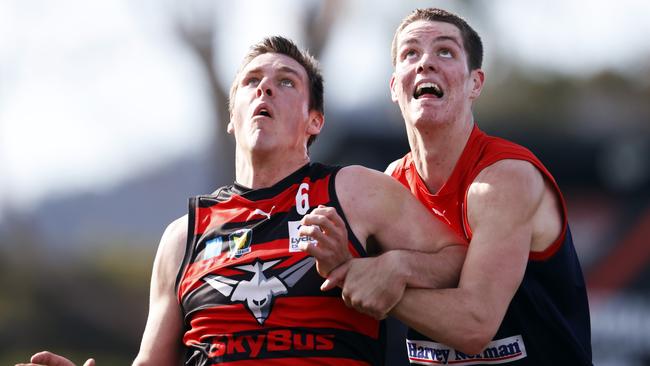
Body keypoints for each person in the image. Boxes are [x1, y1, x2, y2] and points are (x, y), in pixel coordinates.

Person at [16, 36, 467, 366]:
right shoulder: (183, 237)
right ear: (232, 117)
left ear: (315, 121)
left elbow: (458, 257)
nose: (265, 89)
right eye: (253, 81)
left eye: (286, 82)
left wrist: (392, 268)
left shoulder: (353, 191)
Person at [315, 7, 593, 365]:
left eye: (445, 51)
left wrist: (374, 282)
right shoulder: (391, 184)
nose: (425, 62)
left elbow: (475, 325)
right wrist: (375, 268)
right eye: (410, 53)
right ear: (393, 87)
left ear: (475, 83)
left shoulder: (504, 178)